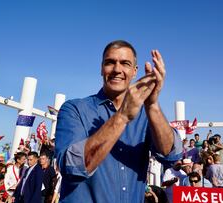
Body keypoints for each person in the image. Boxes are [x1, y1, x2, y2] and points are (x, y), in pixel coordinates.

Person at [55, 40, 182, 203]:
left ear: (135, 71)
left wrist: (152, 105)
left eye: (125, 63)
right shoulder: (74, 109)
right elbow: (71, 167)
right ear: (102, 68)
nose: (117, 69)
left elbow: (170, 155)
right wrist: (122, 117)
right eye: (110, 62)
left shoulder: (146, 115)